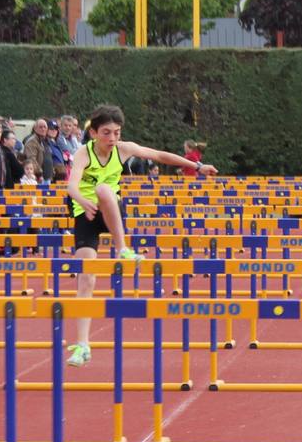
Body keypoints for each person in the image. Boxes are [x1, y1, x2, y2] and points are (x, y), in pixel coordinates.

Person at [64, 105, 217, 367]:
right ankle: (82, 345)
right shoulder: (83, 153)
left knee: (103, 189)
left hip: (111, 210)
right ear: (93, 133)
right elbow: (71, 185)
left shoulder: (124, 149)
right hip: (85, 213)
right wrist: (82, 201)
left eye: (116, 133)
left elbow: (160, 155)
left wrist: (198, 166)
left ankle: (122, 247)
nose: (112, 139)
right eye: (106, 133)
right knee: (86, 278)